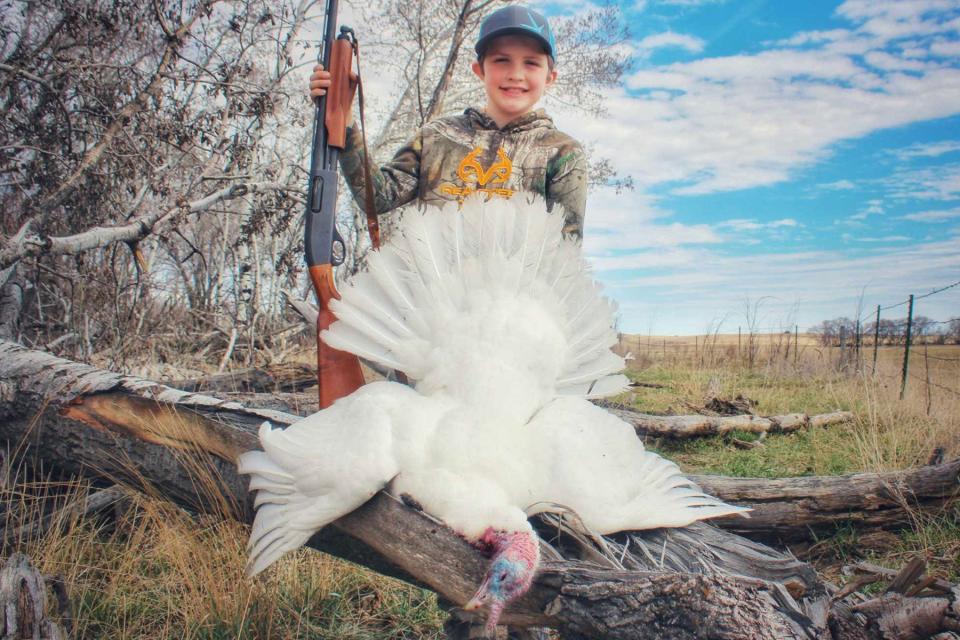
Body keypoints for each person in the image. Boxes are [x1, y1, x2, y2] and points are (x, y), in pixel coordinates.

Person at [309, 5, 588, 238]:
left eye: (531, 63)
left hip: (517, 302)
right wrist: (343, 121)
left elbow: (564, 252)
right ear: (480, 70)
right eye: (502, 60)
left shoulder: (562, 153)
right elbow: (378, 197)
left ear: (550, 77)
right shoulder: (437, 137)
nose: (516, 74)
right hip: (428, 298)